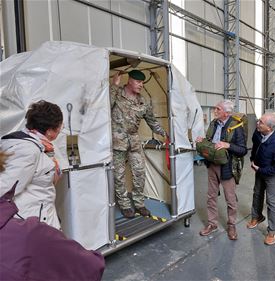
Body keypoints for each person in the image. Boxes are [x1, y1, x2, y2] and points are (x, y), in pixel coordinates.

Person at [0, 151, 105, 281]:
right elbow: (90, 266)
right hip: (36, 215)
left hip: (34, 214)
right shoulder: (28, 235)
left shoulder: (23, 146)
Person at [110, 69, 167, 219]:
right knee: (119, 175)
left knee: (139, 173)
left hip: (134, 142)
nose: (141, 85)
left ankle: (139, 203)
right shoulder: (116, 94)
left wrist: (164, 133)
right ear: (129, 80)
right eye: (138, 81)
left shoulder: (143, 102)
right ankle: (124, 204)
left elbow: (152, 121)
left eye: (142, 82)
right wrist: (114, 85)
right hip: (117, 142)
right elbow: (104, 108)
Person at [0, 100, 63, 229]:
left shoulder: (40, 145)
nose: (61, 129)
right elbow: (5, 189)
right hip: (31, 223)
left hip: (39, 218)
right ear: (51, 130)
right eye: (60, 126)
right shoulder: (27, 150)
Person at [197, 100, 247, 240]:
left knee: (230, 199)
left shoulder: (236, 126)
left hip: (227, 167)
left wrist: (228, 145)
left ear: (226, 112)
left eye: (218, 108)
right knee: (211, 196)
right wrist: (203, 140)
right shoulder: (214, 123)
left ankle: (231, 225)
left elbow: (243, 150)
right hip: (212, 164)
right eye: (216, 108)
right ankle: (212, 224)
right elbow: (209, 140)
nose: (215, 110)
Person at [246, 113, 275, 245]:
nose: (257, 123)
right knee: (257, 193)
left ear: (269, 128)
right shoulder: (258, 132)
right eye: (259, 121)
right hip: (259, 168)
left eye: (261, 122)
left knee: (271, 201)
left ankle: (272, 231)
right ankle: (256, 217)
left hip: (271, 174)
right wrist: (253, 159)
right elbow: (255, 146)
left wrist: (260, 169)